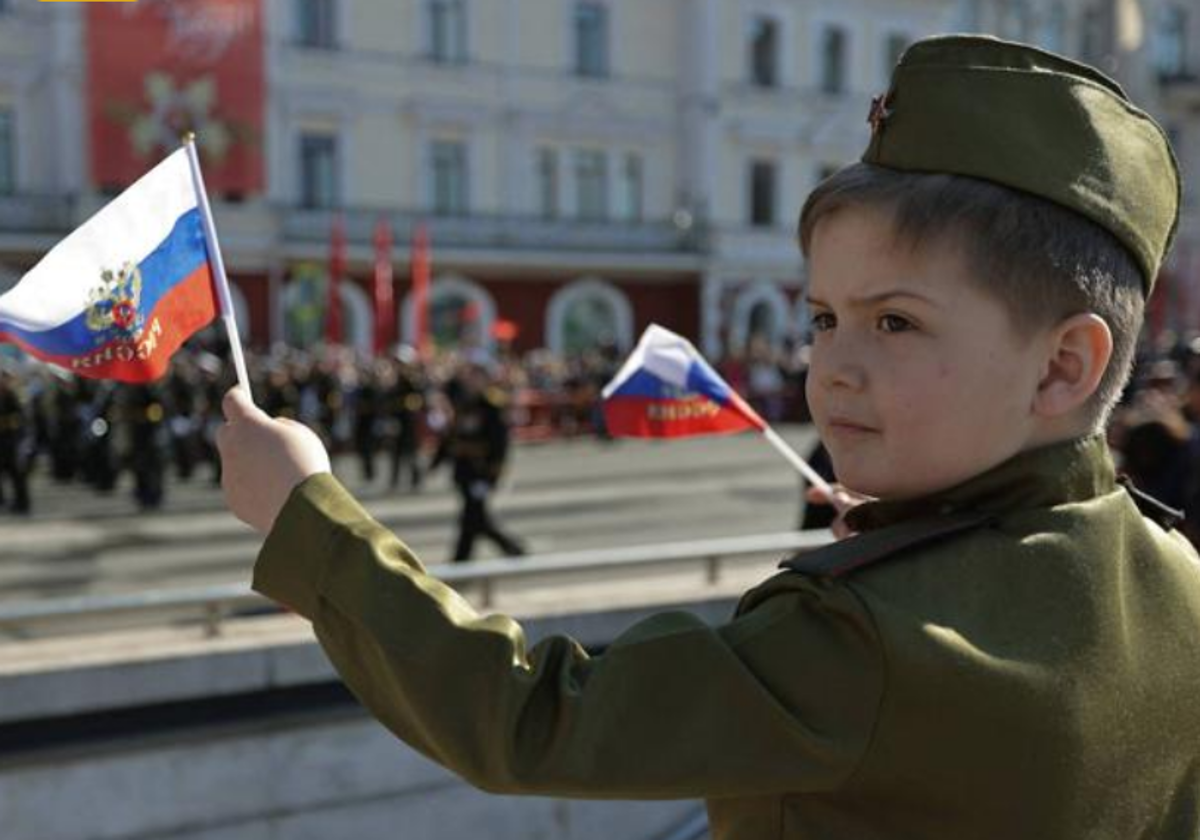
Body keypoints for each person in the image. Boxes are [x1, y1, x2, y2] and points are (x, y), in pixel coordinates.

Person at [217, 36, 1200, 839]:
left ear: (1064, 365)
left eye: (894, 321)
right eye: (822, 318)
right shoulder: (1177, 577)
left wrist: (308, 518)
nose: (831, 368)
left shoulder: (866, 642)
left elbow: (529, 718)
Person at [429, 358, 526, 561]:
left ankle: (463, 561)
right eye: (469, 376)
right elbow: (451, 438)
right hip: (464, 471)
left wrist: (492, 475)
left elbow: (500, 444)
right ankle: (510, 550)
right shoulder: (463, 403)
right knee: (475, 518)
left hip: (481, 470)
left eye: (476, 376)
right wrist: (435, 463)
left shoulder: (491, 406)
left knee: (473, 517)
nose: (471, 381)